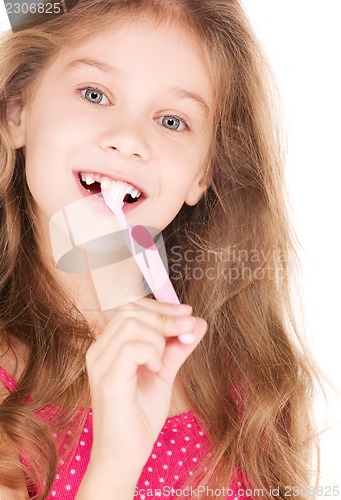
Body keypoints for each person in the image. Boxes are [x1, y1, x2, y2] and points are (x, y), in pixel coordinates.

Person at [0, 1, 322, 498]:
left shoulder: (245, 376)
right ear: (17, 108)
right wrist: (115, 463)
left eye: (172, 121)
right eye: (94, 93)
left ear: (202, 173)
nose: (128, 140)